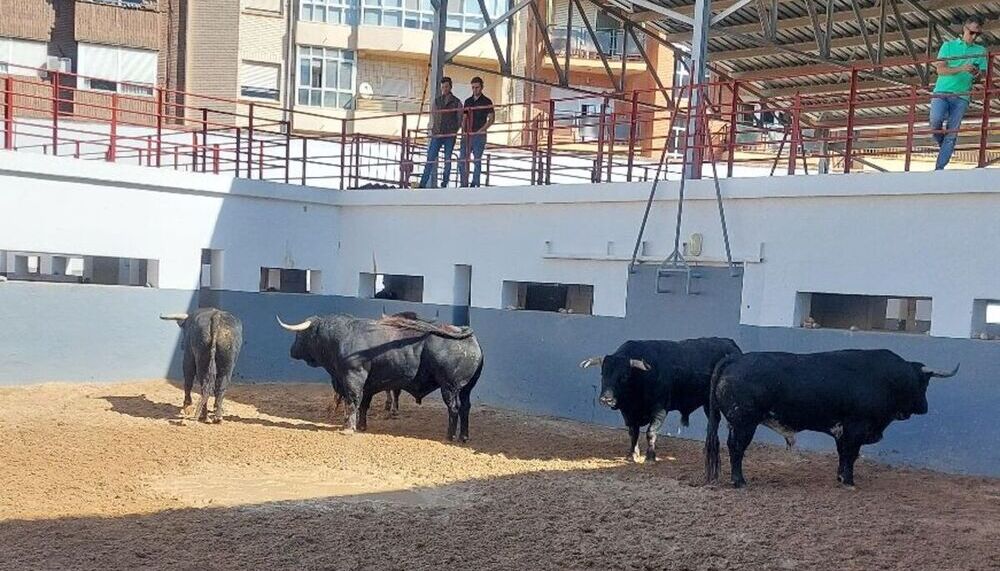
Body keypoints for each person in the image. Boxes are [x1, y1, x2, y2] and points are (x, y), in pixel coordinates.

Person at [930, 15, 988, 170]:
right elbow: (940, 69)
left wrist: (976, 74)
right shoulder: (948, 46)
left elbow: (981, 77)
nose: (974, 36)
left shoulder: (981, 51)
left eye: (978, 34)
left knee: (952, 133)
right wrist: (962, 68)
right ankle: (946, 147)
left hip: (962, 96)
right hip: (942, 91)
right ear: (965, 29)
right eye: (972, 32)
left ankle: (939, 169)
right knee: (935, 123)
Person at [419, 77, 462, 188]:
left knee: (447, 159)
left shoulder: (457, 102)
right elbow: (433, 115)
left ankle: (444, 183)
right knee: (430, 158)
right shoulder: (437, 101)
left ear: (450, 87)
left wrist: (453, 131)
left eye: (446, 86)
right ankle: (422, 183)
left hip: (449, 135)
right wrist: (434, 129)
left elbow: (459, 119)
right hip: (437, 134)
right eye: (443, 87)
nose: (444, 89)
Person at [459, 77, 495, 187]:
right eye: (473, 87)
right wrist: (463, 131)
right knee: (462, 160)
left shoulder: (487, 101)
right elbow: (464, 118)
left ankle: (475, 183)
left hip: (479, 136)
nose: (475, 90)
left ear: (482, 87)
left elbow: (492, 119)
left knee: (477, 160)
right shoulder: (468, 101)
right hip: (467, 134)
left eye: (477, 87)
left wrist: (481, 130)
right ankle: (463, 183)